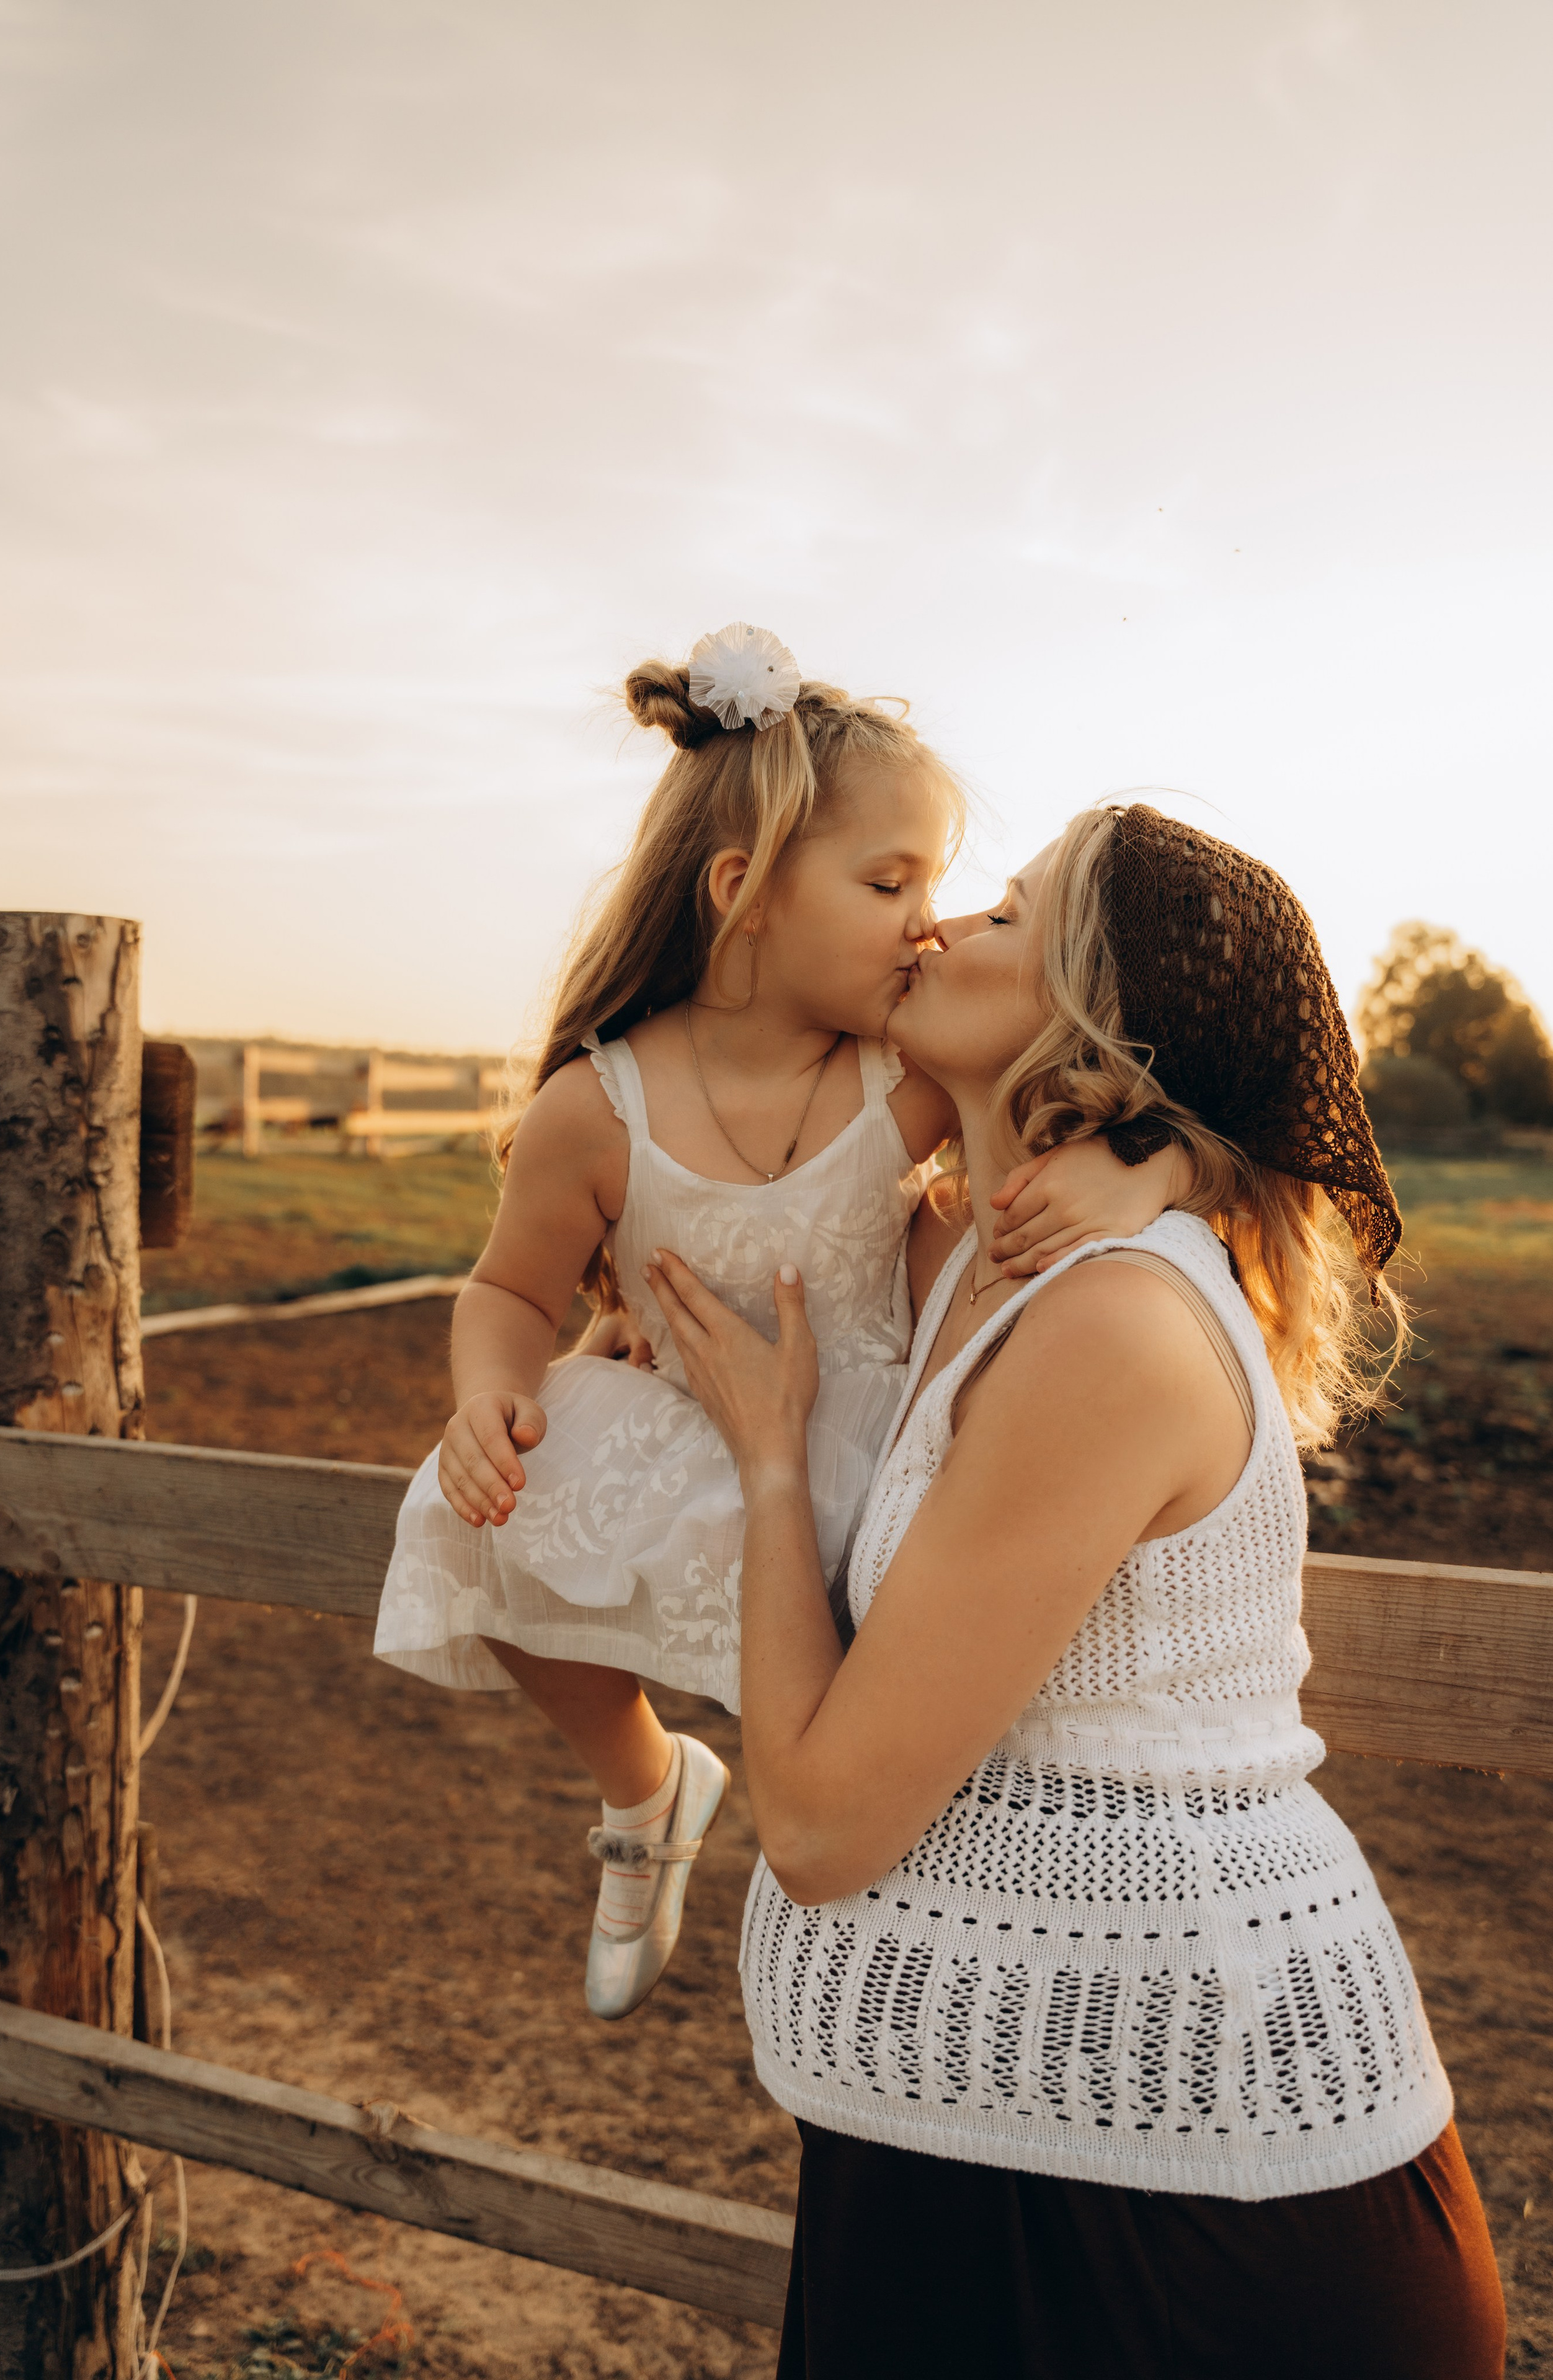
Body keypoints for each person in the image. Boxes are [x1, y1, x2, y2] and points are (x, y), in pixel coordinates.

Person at [645, 802, 1507, 2380]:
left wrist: (771, 1459)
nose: (938, 922)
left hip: (1193, 2218)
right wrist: (1158, 1147)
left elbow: (822, 1827)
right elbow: (723, 1093)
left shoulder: (1111, 1325)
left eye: (1005, 912)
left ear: (1098, 1036)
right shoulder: (953, 1250)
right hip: (976, 2153)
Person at [373, 628, 1190, 2018]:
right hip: (689, 1423)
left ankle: (894, 1877)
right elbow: (507, 1288)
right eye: (889, 882)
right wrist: (489, 1393)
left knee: (867, 1689)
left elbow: (1081, 1104)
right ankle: (646, 1786)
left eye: (934, 884)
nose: (927, 922)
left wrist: (1147, 1165)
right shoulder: (597, 1109)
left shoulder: (903, 1077)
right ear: (744, 890)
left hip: (863, 1444)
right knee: (478, 1517)